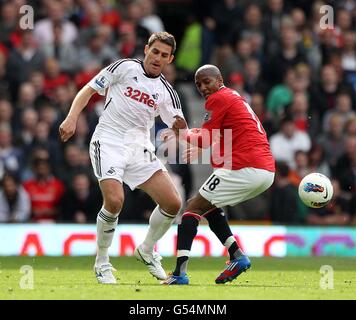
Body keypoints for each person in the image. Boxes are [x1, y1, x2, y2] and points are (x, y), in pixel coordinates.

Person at [59, 32, 184, 284]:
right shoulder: (125, 67)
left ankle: (147, 249)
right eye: (154, 51)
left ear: (170, 59)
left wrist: (189, 133)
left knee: (173, 203)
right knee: (115, 201)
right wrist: (72, 117)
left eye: (163, 55)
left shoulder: (166, 92)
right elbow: (88, 89)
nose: (157, 58)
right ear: (146, 48)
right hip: (109, 141)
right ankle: (102, 262)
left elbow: (178, 124)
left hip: (139, 148)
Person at [162, 64, 275, 285]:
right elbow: (218, 135)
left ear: (219, 80)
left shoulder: (218, 99)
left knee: (192, 208)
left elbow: (205, 137)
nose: (203, 87)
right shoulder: (233, 97)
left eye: (207, 82)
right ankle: (237, 256)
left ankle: (179, 274)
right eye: (198, 84)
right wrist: (200, 143)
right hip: (264, 171)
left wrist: (183, 133)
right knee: (209, 206)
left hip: (245, 167)